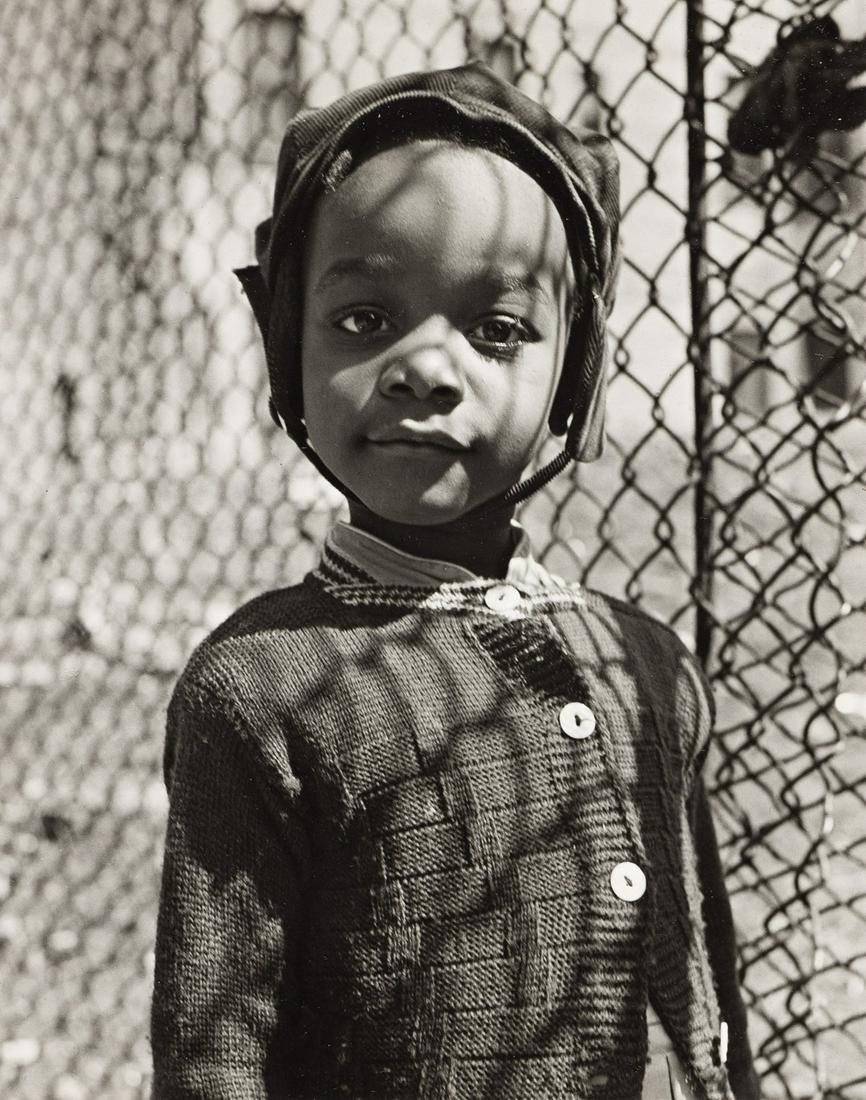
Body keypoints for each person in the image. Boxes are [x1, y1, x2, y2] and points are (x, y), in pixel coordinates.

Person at [150, 62, 760, 1100]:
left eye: (497, 329)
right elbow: (215, 1052)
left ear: (575, 377)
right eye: (361, 319)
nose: (424, 368)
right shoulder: (255, 688)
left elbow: (707, 998)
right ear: (282, 344)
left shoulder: (647, 662)